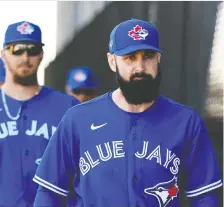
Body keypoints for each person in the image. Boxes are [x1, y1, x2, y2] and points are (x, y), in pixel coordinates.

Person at [33, 19, 222, 207]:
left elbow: (204, 196)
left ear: (158, 59)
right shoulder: (77, 120)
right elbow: (50, 192)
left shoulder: (186, 122)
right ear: (112, 61)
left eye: (148, 56)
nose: (140, 67)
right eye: (130, 57)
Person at [0, 21, 79, 207]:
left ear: (42, 54)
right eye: (17, 49)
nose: (25, 57)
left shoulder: (67, 107)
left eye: (33, 50)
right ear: (3, 54)